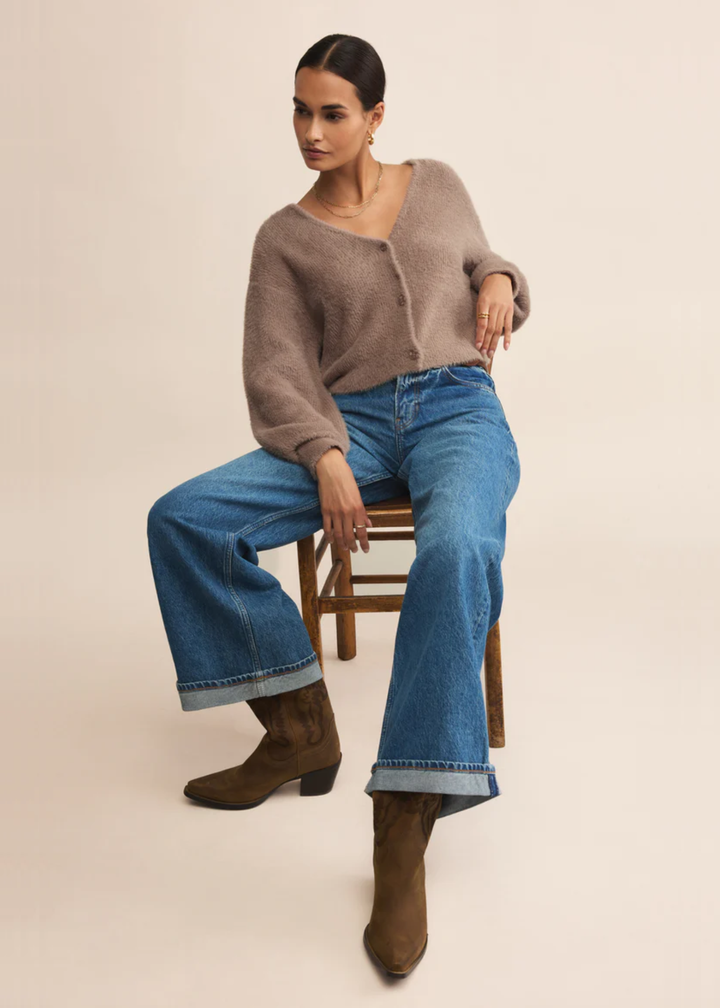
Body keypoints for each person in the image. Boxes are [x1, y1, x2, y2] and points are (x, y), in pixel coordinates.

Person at [146, 33, 530, 979]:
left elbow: (488, 262)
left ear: (375, 118)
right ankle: (297, 726)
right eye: (299, 110)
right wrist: (322, 454)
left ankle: (404, 816)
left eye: (332, 113)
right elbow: (274, 366)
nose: (310, 132)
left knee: (456, 550)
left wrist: (499, 280)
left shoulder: (434, 181)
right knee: (186, 517)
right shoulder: (284, 236)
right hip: (346, 420)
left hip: (456, 408)